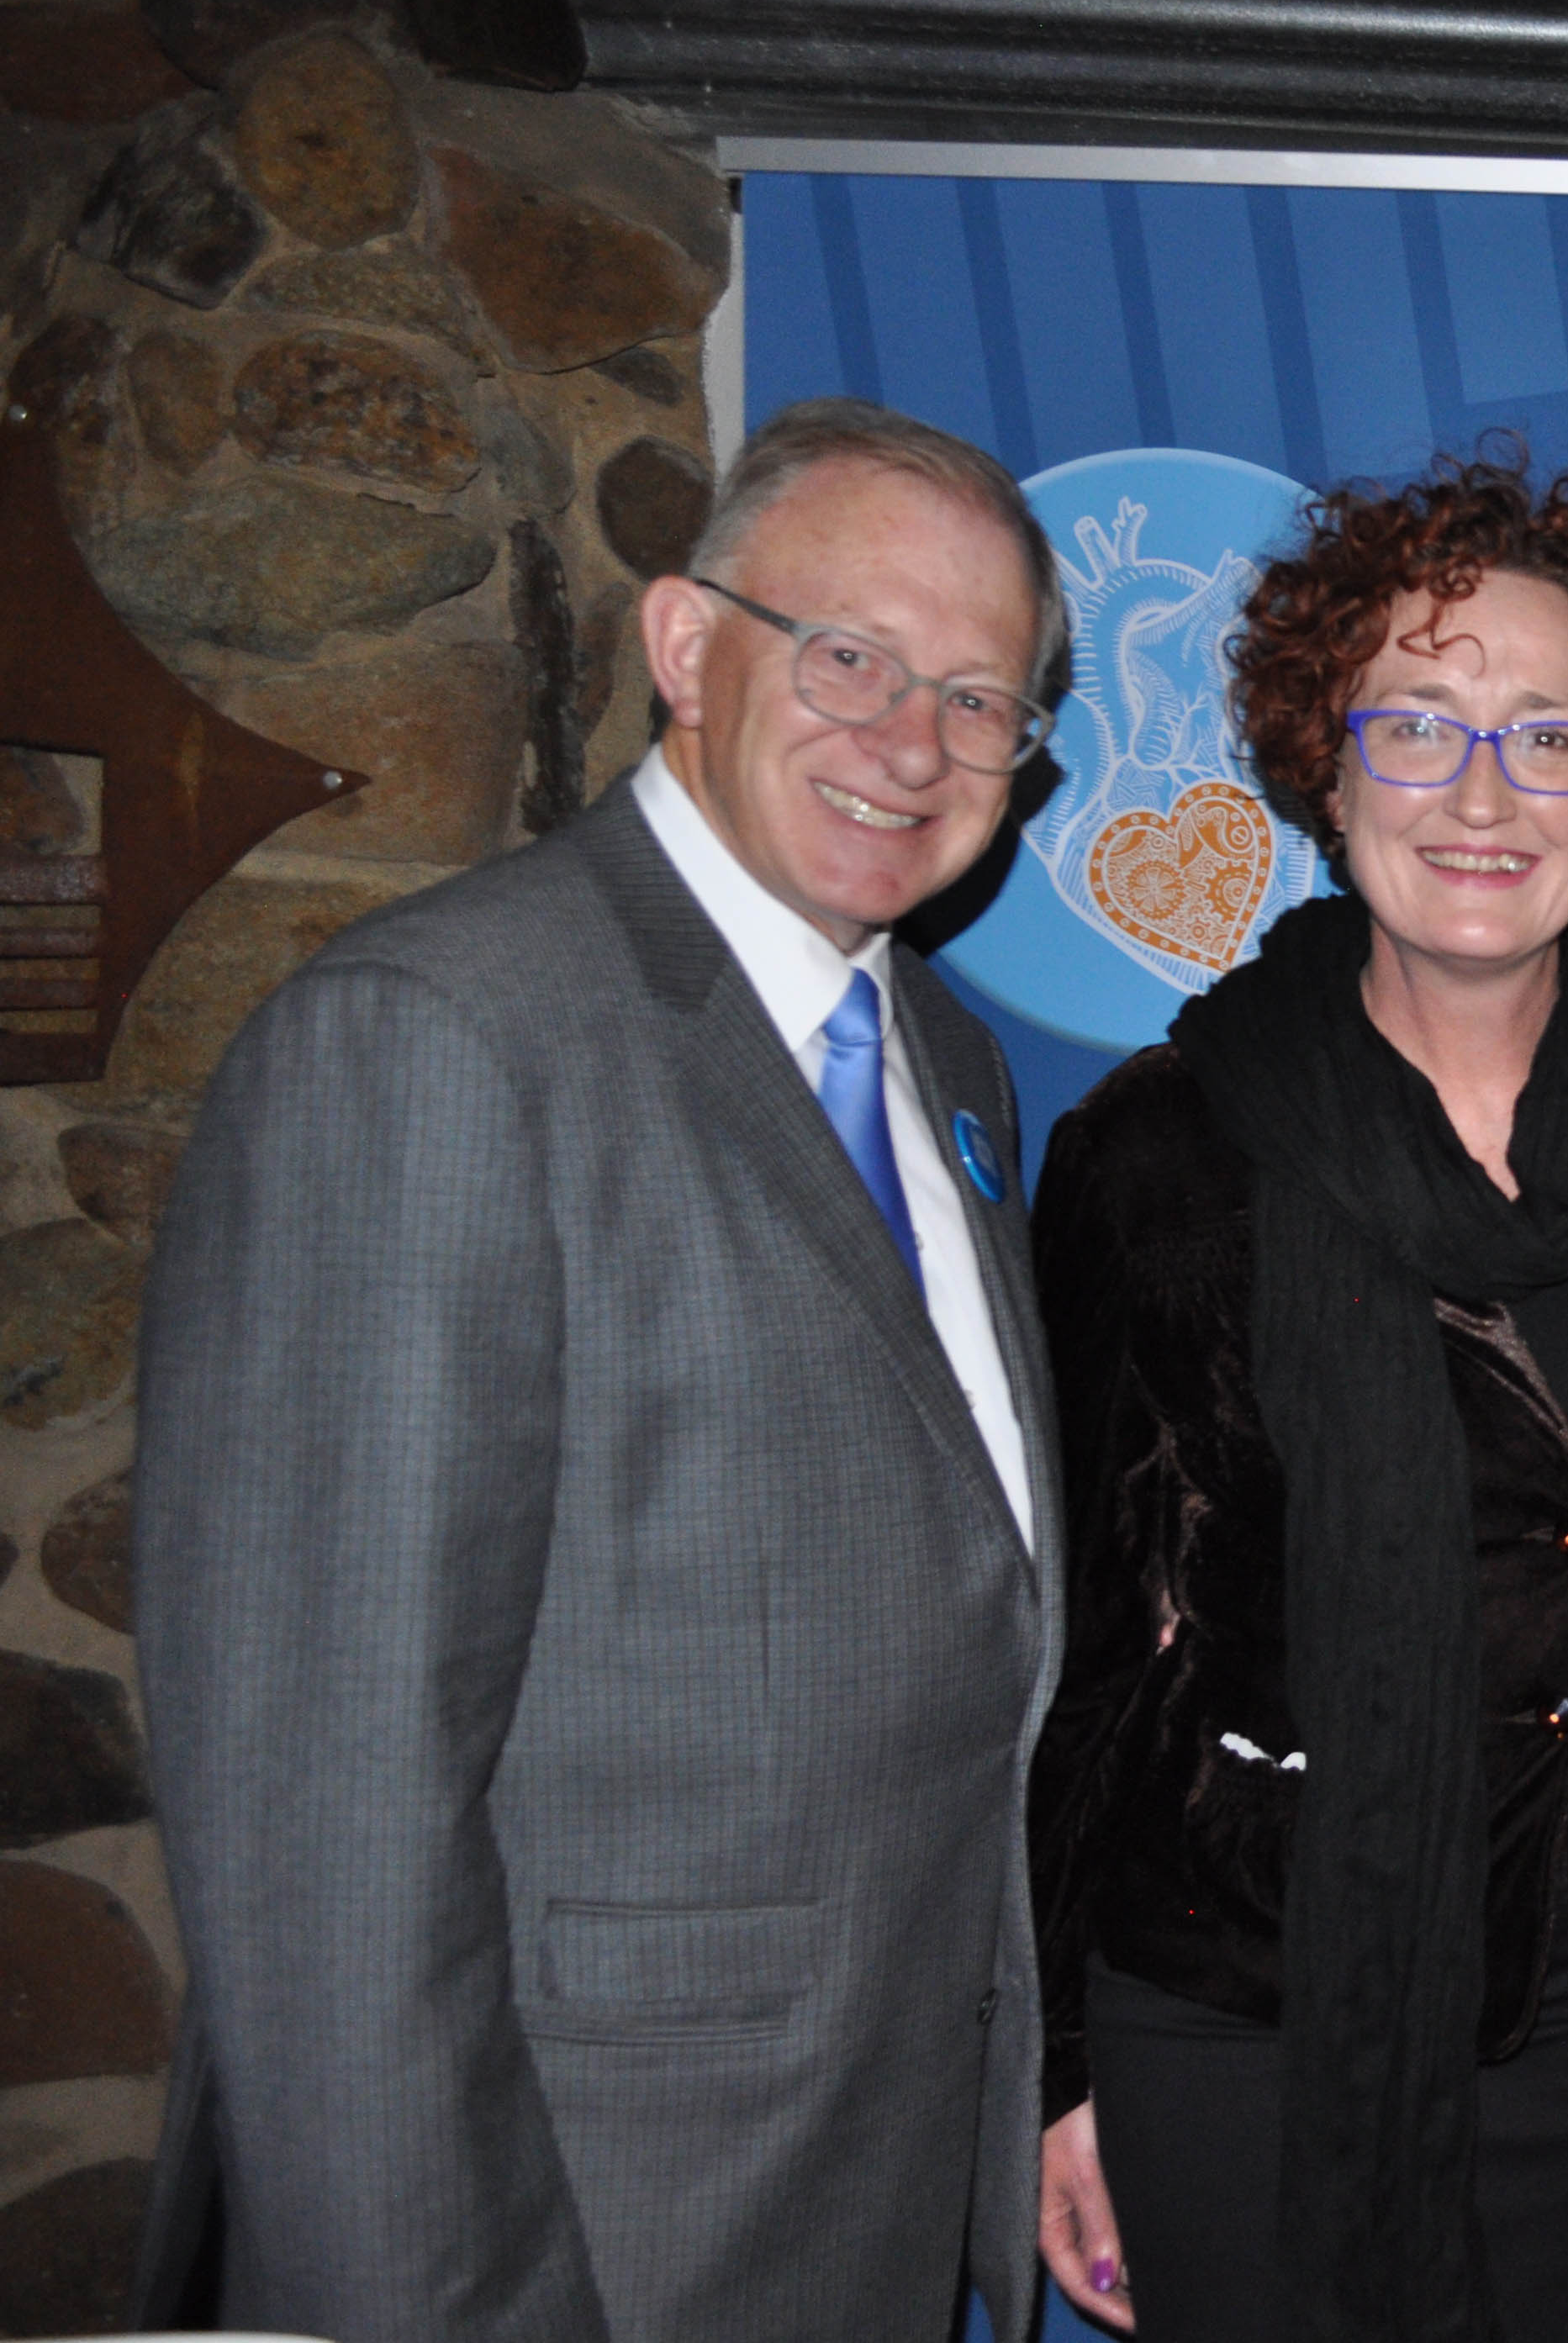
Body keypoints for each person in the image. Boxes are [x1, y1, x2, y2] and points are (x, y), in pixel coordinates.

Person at [130, 397, 1071, 2340]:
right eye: (848, 654)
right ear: (681, 643)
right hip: (581, 2225)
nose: (912, 740)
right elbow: (330, 1836)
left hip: (844, 2194)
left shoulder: (944, 1066)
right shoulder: (433, 1045)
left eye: (980, 698)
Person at [1022, 456, 1568, 2343]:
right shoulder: (1158, 1147)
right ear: (1326, 760)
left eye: (1549, 736)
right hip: (1243, 2016)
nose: (1481, 793)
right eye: (1419, 726)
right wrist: (1062, 2059)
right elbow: (1087, 1649)